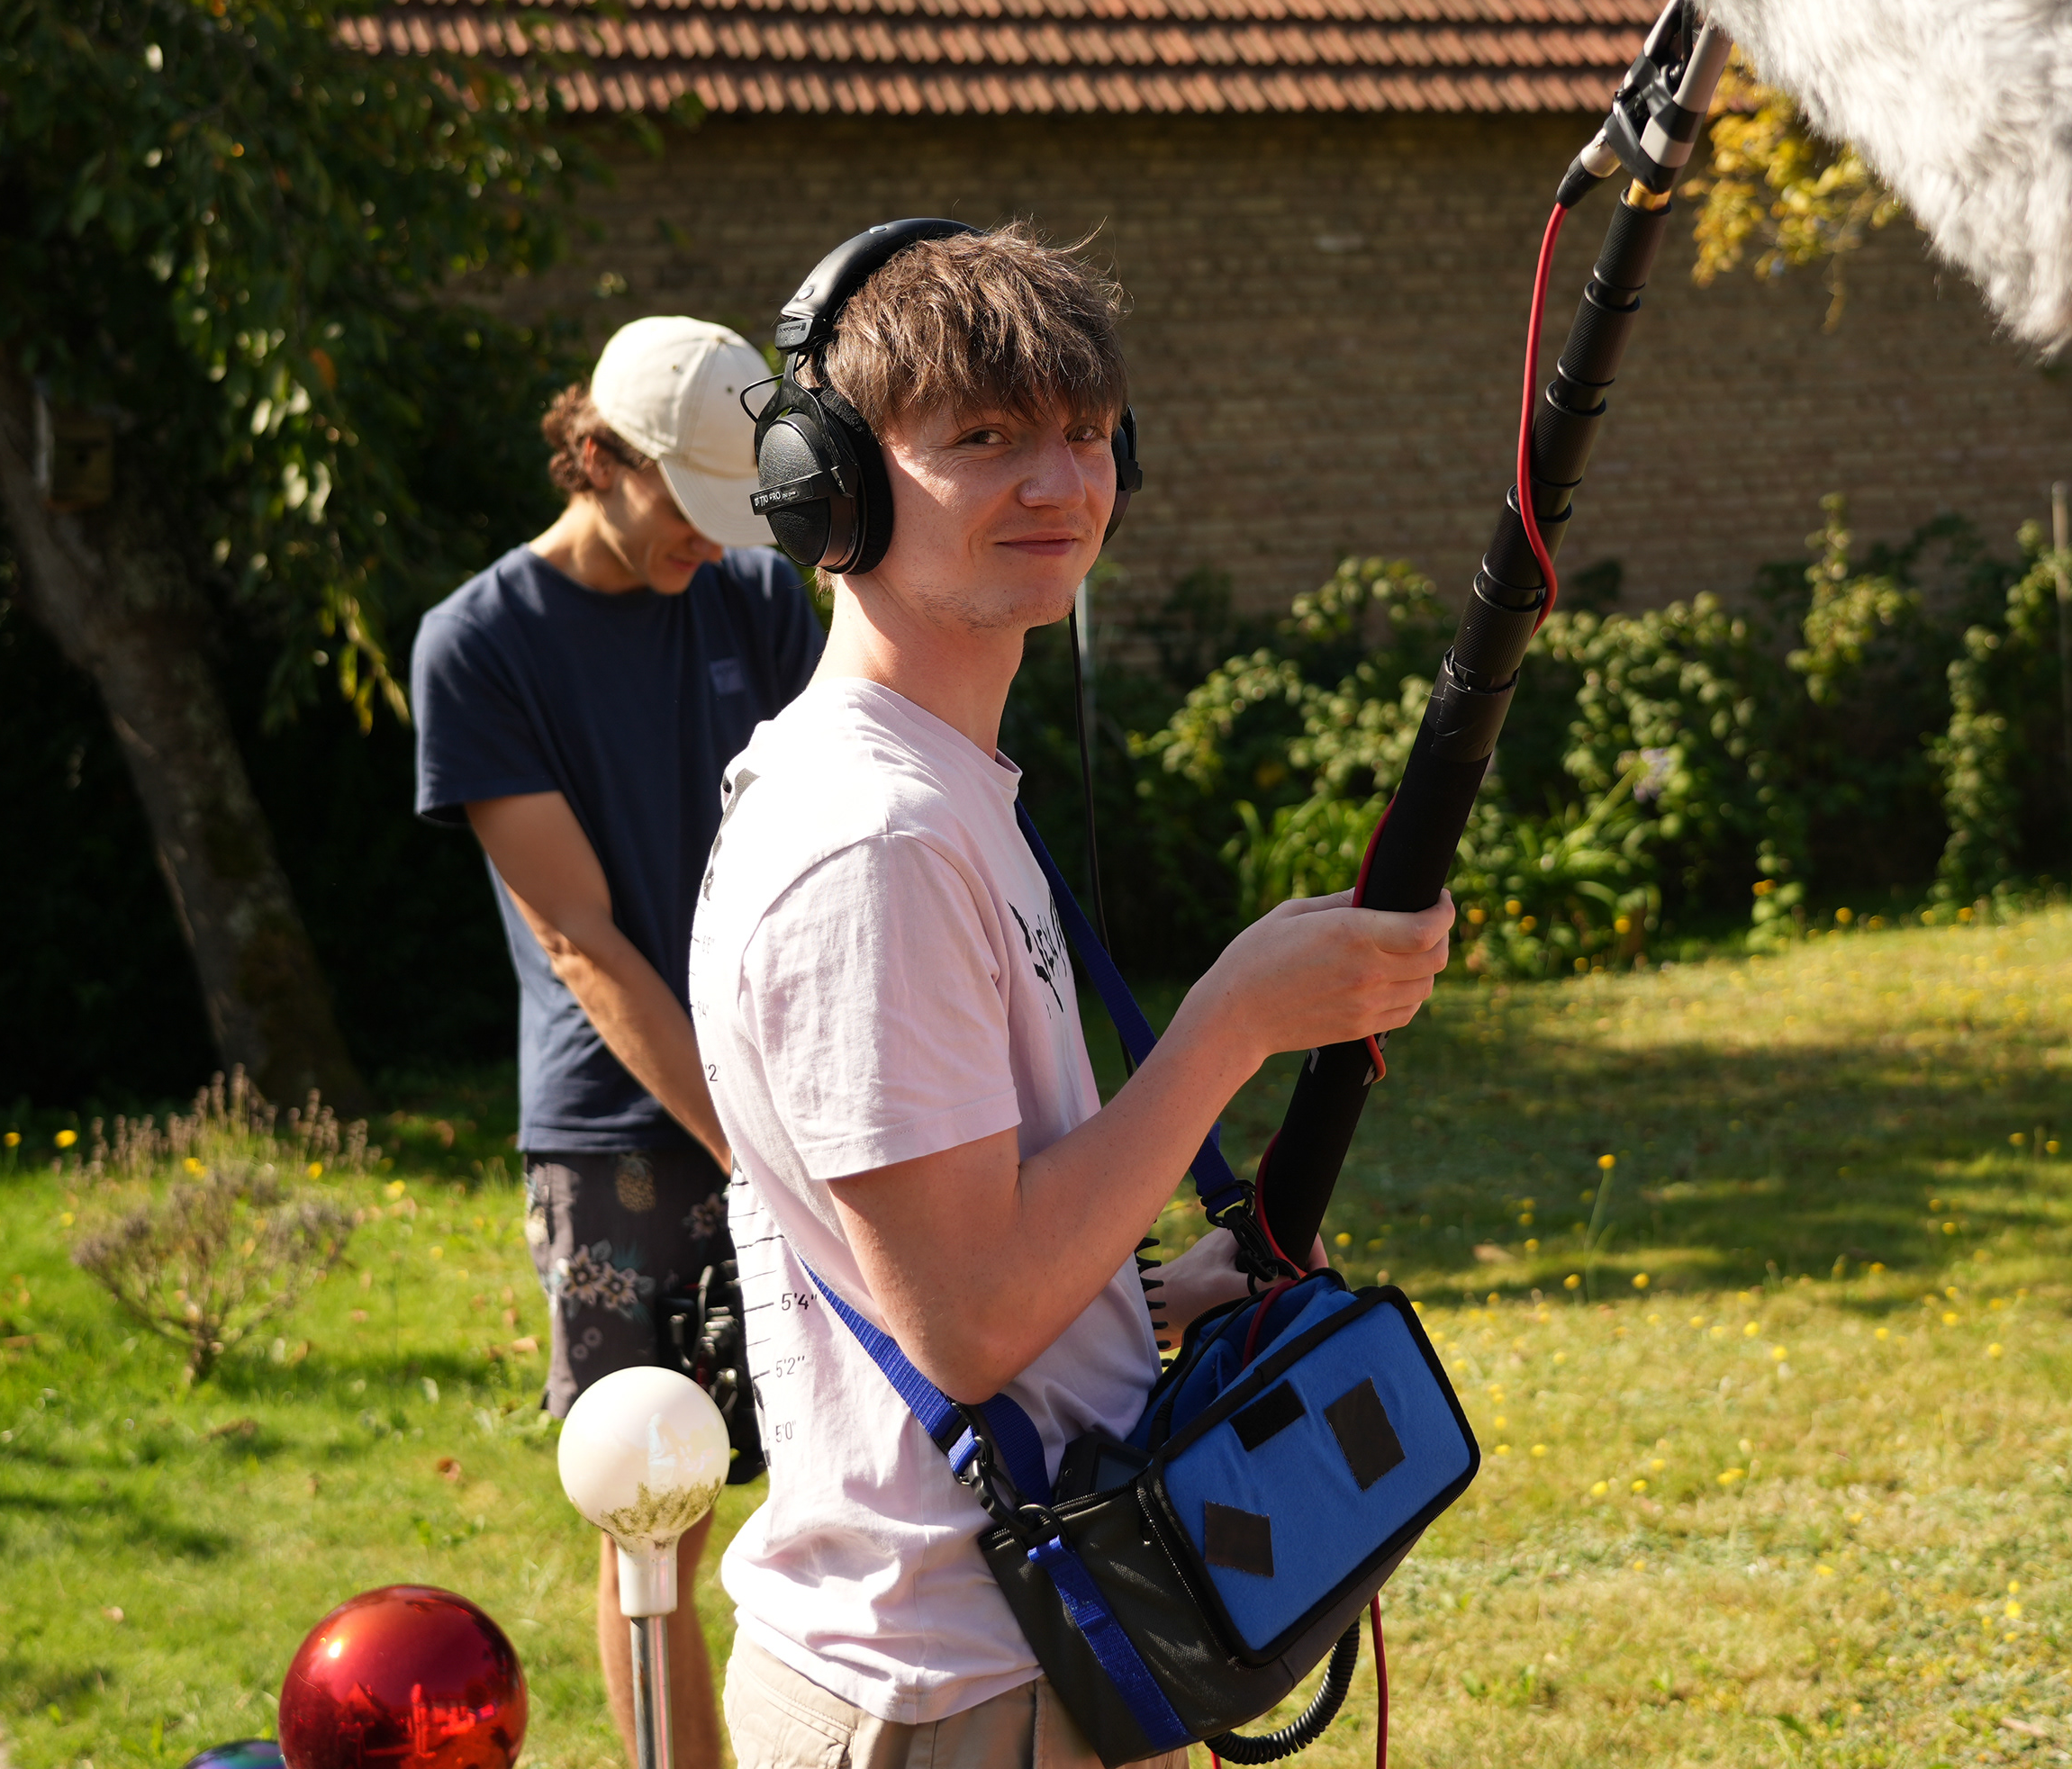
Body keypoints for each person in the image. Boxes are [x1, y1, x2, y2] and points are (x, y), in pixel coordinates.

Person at [694, 228, 1454, 1769]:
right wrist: (1234, 1022)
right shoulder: (875, 844)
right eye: (984, 438)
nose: (1060, 483)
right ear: (827, 484)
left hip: (1011, 1669)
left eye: (1089, 431)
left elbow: (938, 1253)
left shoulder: (940, 793)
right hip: (950, 1694)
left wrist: (1150, 1299)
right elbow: (969, 1321)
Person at [411, 316, 820, 1769]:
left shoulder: (755, 599)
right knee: (658, 1529)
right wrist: (754, 1150)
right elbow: (579, 937)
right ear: (594, 455)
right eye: (683, 507)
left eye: (731, 511)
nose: (710, 542)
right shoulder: (478, 647)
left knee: (854, 1481)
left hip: (796, 1105)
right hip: (620, 1146)